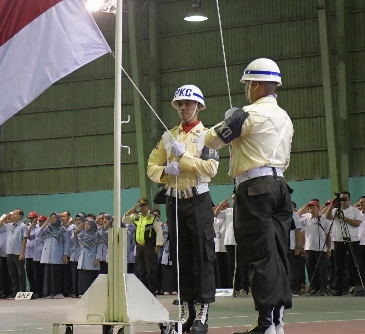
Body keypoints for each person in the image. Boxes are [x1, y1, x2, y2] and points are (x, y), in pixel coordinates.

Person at [205, 58, 293, 334]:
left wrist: (230, 119)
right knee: (278, 255)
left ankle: (265, 324)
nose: (246, 90)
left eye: (247, 85)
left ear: (255, 84)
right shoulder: (285, 117)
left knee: (260, 255)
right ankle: (277, 321)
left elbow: (211, 140)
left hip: (255, 188)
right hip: (280, 185)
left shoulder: (249, 114)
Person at [146, 84, 219, 333]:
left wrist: (184, 157)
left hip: (198, 200)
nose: (183, 108)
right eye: (179, 104)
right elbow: (151, 166)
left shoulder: (209, 136)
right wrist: (165, 172)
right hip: (174, 200)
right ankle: (186, 311)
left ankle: (203, 313)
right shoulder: (168, 137)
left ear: (199, 106)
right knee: (181, 257)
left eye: (188, 104)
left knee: (202, 255)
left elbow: (211, 169)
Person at [123, 199, 163, 298]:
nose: (141, 208)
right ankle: (144, 291)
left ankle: (152, 291)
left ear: (148, 206)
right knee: (141, 269)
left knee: (150, 269)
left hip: (149, 246)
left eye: (143, 206)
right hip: (139, 247)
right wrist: (133, 209)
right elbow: (124, 219)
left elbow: (159, 231)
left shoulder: (153, 218)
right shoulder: (136, 217)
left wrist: (158, 245)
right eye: (140, 206)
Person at [325, 191, 362, 296]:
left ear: (350, 200)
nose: (343, 201)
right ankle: (338, 287)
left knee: (355, 264)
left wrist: (343, 218)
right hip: (339, 240)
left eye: (345, 199)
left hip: (352, 239)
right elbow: (327, 216)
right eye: (341, 199)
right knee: (338, 265)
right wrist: (332, 204)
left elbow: (357, 223)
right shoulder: (336, 210)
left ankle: (356, 285)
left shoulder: (354, 210)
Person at [297, 201, 331, 296]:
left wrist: (329, 248)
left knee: (322, 269)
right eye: (310, 208)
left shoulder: (324, 219)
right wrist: (304, 208)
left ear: (318, 208)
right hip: (309, 248)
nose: (311, 210)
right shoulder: (306, 218)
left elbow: (328, 235)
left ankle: (323, 288)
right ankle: (313, 288)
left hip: (321, 249)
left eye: (313, 207)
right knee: (310, 269)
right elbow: (296, 217)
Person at [0, 209, 28, 298]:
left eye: (15, 214)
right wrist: (5, 217)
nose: (13, 215)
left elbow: (25, 240)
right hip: (9, 253)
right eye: (13, 214)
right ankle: (15, 292)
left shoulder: (23, 226)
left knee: (20, 273)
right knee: (12, 273)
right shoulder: (9, 226)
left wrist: (22, 253)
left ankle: (22, 292)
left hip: (18, 253)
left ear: (20, 216)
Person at [38, 213, 66, 299]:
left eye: (54, 217)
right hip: (47, 254)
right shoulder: (47, 229)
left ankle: (57, 292)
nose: (52, 219)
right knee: (49, 274)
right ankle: (50, 292)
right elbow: (38, 235)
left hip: (57, 254)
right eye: (51, 217)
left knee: (56, 274)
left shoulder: (62, 229)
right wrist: (43, 226)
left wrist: (65, 254)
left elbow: (67, 243)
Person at [76, 219, 104, 295]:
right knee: (83, 275)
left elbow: (99, 246)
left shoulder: (97, 235)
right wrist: (76, 231)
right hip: (83, 257)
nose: (86, 226)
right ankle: (82, 292)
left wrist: (97, 258)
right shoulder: (83, 234)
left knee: (90, 276)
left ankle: (91, 293)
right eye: (85, 224)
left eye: (88, 224)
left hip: (91, 258)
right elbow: (74, 239)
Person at [24, 211, 41, 298]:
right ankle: (32, 290)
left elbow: (28, 236)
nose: (31, 220)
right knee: (29, 273)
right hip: (28, 254)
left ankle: (37, 290)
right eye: (30, 218)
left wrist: (30, 227)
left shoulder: (38, 227)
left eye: (33, 218)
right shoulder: (27, 227)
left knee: (36, 274)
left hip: (36, 254)